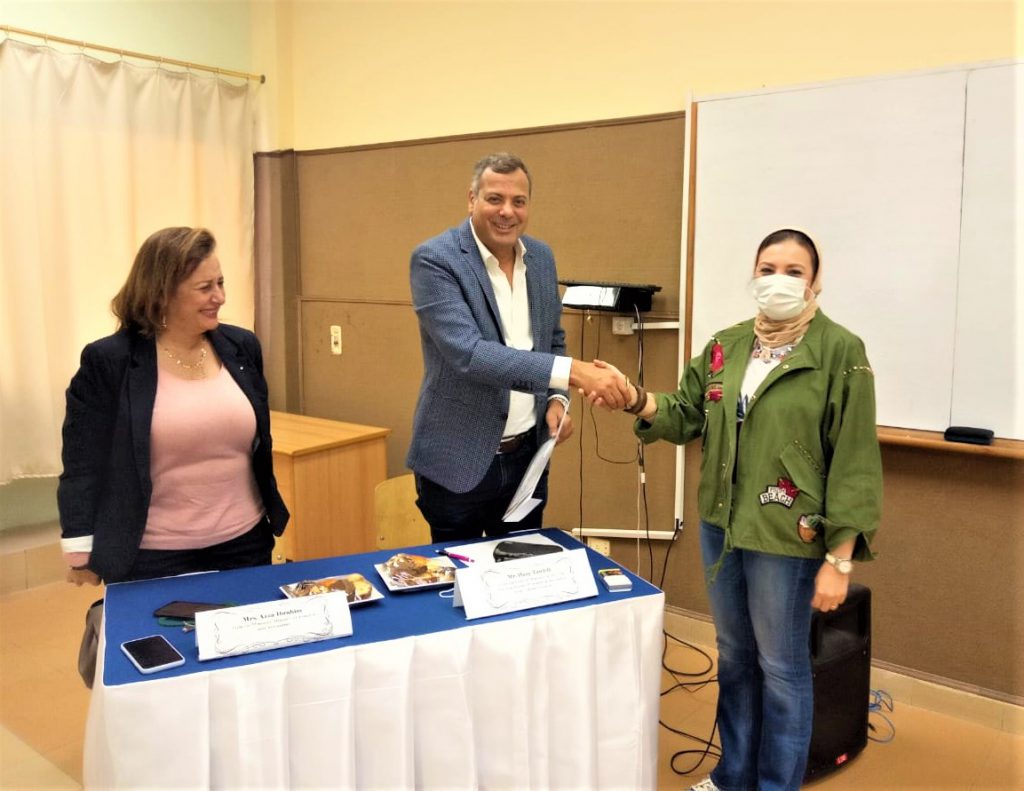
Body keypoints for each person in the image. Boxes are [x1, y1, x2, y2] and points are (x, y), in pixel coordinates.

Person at [589, 229, 882, 791]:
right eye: (768, 268)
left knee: (782, 669)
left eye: (794, 271)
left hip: (787, 536)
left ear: (815, 282)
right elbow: (684, 413)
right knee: (734, 656)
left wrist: (839, 559)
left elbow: (855, 461)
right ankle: (732, 777)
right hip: (721, 526)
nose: (778, 280)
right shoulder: (726, 345)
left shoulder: (840, 352)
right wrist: (634, 397)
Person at [407, 152, 630, 541]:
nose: (507, 212)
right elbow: (470, 355)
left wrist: (557, 399)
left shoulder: (540, 258)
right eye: (495, 198)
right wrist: (575, 373)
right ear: (472, 199)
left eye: (519, 201)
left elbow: (552, 339)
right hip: (457, 462)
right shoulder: (435, 260)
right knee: (455, 575)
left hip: (527, 459)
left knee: (520, 570)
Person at [58, 227, 289, 585]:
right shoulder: (110, 360)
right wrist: (80, 550)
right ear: (162, 293)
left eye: (221, 283)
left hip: (245, 544)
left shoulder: (242, 347)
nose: (220, 297)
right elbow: (82, 461)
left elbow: (259, 444)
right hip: (151, 555)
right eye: (205, 287)